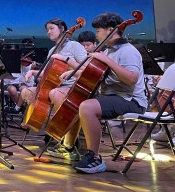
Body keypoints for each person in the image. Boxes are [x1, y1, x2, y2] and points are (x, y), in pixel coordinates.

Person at [49, 12, 148, 174]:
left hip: (131, 100)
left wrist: (106, 60)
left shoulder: (127, 51)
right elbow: (96, 74)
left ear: (110, 30)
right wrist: (74, 73)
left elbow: (131, 79)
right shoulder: (108, 50)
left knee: (87, 107)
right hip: (111, 96)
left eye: (98, 31)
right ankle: (69, 145)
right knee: (74, 99)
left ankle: (94, 157)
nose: (97, 35)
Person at [20, 18, 87, 138]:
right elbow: (48, 73)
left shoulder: (74, 46)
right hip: (54, 86)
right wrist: (33, 72)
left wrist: (66, 60)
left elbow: (86, 69)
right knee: (27, 91)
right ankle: (43, 123)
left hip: (72, 86)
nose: (49, 32)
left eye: (52, 28)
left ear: (62, 29)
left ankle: (63, 133)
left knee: (55, 93)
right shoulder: (52, 50)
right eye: (47, 30)